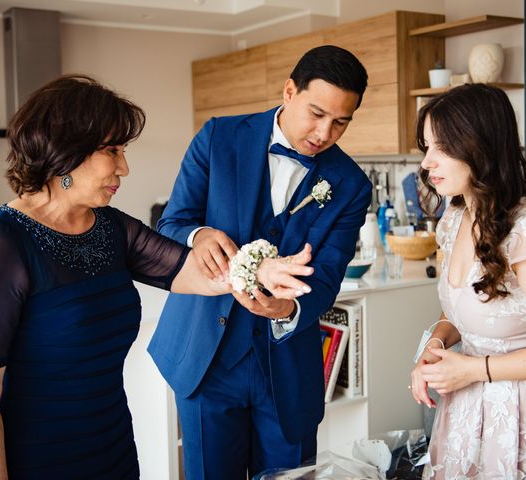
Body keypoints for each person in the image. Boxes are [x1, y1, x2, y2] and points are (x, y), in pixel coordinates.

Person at [0, 74, 314, 480]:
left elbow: (196, 272)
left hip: (114, 450)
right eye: (112, 150)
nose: (123, 166)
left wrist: (259, 269)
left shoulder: (111, 228)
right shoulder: (1, 243)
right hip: (40, 459)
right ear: (65, 151)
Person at [148, 45, 372, 479]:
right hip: (206, 362)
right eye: (317, 112)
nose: (324, 132)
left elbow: (327, 277)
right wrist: (200, 236)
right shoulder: (218, 137)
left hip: (287, 371)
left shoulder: (350, 185)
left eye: (341, 121)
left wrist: (289, 309)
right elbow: (172, 223)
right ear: (289, 91)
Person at [409, 83, 526, 479]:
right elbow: (462, 309)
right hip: (468, 406)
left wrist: (474, 371)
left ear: (479, 146)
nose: (427, 162)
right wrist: (435, 345)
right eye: (426, 147)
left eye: (442, 147)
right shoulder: (453, 219)